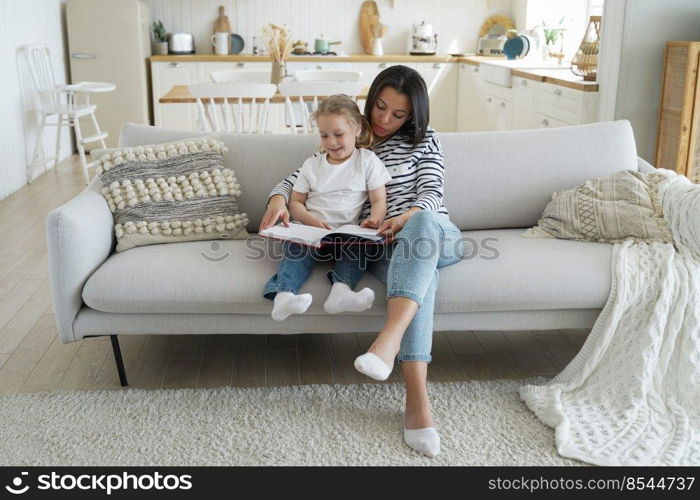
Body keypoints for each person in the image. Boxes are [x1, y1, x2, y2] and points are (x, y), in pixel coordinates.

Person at [260, 66, 464, 457]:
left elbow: (433, 190)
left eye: (399, 114)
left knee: (420, 225)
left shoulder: (426, 140)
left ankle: (387, 343)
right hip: (384, 246)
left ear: (414, 116)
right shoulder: (353, 138)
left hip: (434, 233)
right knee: (420, 280)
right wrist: (277, 199)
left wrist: (406, 217)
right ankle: (417, 402)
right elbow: (299, 177)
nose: (385, 120)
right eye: (380, 107)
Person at [262, 95, 392, 321]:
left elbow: (379, 199)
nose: (331, 142)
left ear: (357, 129)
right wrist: (312, 222)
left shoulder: (367, 161)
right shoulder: (312, 164)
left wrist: (376, 220)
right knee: (296, 252)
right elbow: (296, 202)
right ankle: (284, 296)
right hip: (311, 231)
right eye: (324, 135)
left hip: (345, 235)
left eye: (338, 134)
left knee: (360, 249)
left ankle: (340, 293)